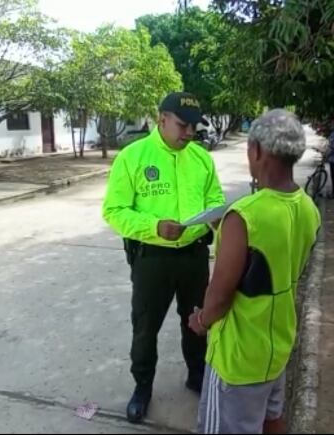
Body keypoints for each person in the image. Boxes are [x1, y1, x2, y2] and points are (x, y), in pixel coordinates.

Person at [188, 109, 321, 434]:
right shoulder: (308, 208)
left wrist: (201, 321)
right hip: (277, 345)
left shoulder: (243, 216)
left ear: (257, 151)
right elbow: (274, 262)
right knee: (271, 418)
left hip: (238, 359)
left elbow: (220, 297)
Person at [101, 92, 226, 424]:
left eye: (194, 126)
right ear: (162, 120)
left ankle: (197, 374)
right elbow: (114, 211)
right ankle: (142, 387)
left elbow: (214, 198)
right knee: (145, 326)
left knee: (197, 320)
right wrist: (154, 227)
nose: (190, 133)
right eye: (183, 125)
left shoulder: (201, 158)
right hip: (151, 260)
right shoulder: (133, 157)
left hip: (194, 257)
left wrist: (216, 217)